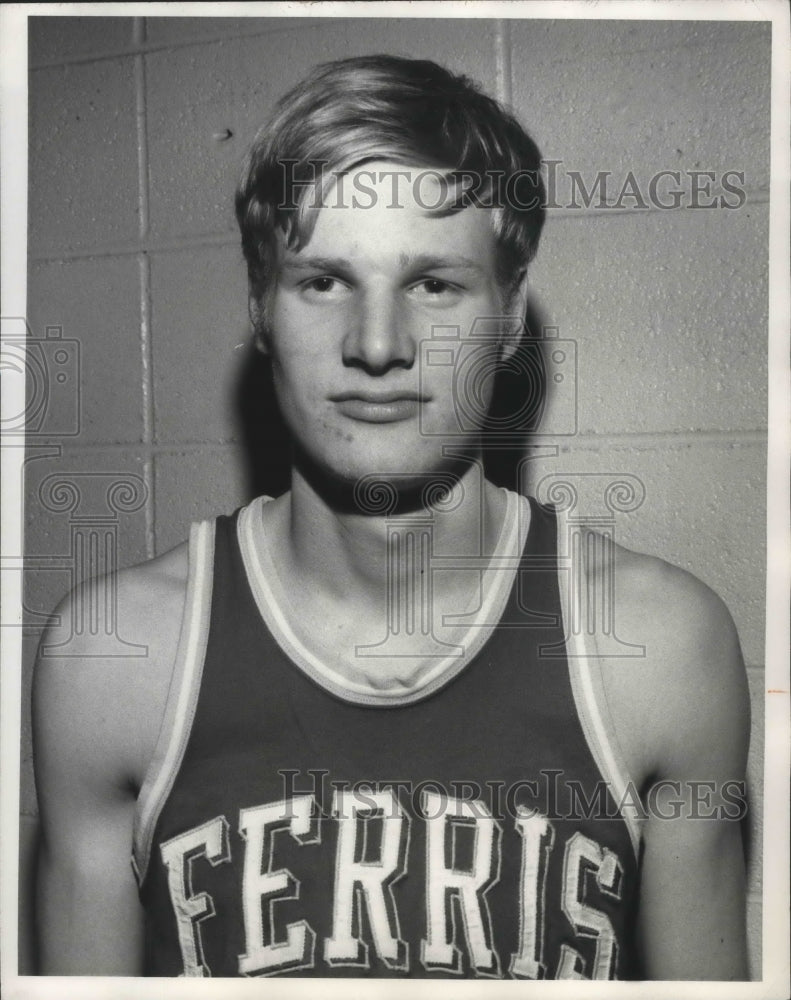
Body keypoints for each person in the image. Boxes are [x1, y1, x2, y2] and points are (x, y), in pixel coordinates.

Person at [32, 55, 749, 980]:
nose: (378, 345)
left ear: (509, 314)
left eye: (434, 285)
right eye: (323, 281)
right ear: (260, 305)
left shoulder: (664, 650)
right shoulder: (111, 662)